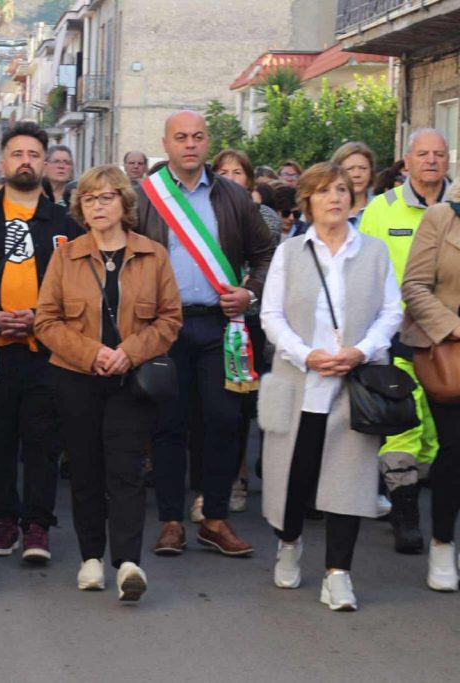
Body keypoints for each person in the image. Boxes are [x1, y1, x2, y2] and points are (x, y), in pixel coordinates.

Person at [35, 164, 182, 600]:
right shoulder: (66, 255)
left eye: (105, 197)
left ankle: (128, 562)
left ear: (124, 203)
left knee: (126, 470)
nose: (96, 206)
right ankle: (91, 559)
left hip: (131, 379)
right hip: (76, 377)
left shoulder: (153, 254)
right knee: (84, 470)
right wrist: (92, 352)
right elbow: (46, 321)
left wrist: (128, 352)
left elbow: (170, 319)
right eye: (88, 199)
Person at [260, 162, 401, 611]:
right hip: (299, 382)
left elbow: (392, 312)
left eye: (341, 189)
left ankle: (338, 574)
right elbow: (270, 316)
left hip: (352, 384)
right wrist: (306, 354)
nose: (335, 198)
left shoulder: (374, 252)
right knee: (293, 478)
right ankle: (289, 542)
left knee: (348, 480)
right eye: (323, 191)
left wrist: (362, 350)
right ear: (307, 201)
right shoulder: (289, 252)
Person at [136, 110, 274, 558]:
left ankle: (215, 518)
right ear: (166, 143)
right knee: (169, 425)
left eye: (197, 136)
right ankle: (171, 521)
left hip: (221, 325)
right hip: (166, 326)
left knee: (224, 421)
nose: (190, 144)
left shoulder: (233, 196)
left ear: (207, 142)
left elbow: (265, 255)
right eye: (181, 137)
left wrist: (249, 294)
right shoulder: (145, 198)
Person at [0, 122, 83, 563]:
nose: (26, 161)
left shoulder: (65, 225)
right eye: (17, 154)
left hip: (45, 352)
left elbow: (78, 291)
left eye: (34, 154)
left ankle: (37, 524)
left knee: (41, 441)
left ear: (46, 162)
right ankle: (3, 521)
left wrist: (40, 319)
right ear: (3, 161)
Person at [360, 128, 450, 554]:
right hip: (398, 336)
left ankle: (431, 500)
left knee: (436, 431)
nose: (431, 161)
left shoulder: (456, 208)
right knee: (403, 427)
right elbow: (366, 272)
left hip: (449, 339)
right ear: (406, 162)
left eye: (439, 154)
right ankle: (405, 513)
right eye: (423, 154)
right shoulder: (382, 209)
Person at [211, 148, 281, 513]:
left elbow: (263, 262)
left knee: (242, 405)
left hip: (250, 318)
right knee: (214, 405)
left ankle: (241, 473)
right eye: (222, 171)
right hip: (212, 317)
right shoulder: (200, 214)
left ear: (249, 180)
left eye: (237, 172)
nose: (230, 177)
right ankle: (216, 477)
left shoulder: (264, 217)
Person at [400, 181, 460, 591]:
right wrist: (453, 327)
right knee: (454, 450)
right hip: (450, 355)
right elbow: (414, 285)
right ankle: (442, 543)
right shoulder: (443, 216)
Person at [331, 141, 376, 222]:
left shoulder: (383, 206)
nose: (357, 174)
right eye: (350, 169)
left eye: (363, 168)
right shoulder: (327, 208)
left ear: (371, 171)